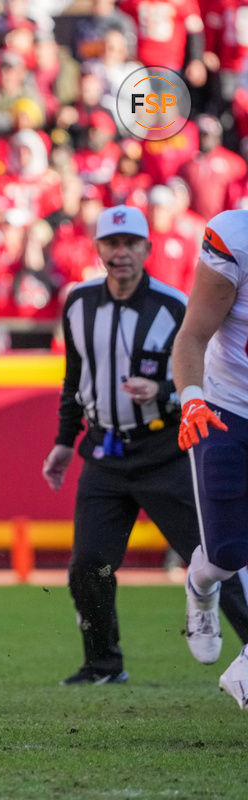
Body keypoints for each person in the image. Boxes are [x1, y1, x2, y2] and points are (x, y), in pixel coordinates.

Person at [41, 205, 248, 686]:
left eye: (130, 243)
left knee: (219, 552)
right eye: (111, 244)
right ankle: (103, 664)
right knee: (88, 564)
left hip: (163, 451)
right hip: (104, 452)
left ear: (147, 249)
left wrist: (164, 393)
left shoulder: (175, 303)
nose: (121, 253)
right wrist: (63, 442)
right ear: (97, 250)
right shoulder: (78, 303)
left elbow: (197, 360)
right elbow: (74, 379)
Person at [172, 208, 248, 709]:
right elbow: (193, 334)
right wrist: (192, 399)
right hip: (228, 406)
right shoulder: (236, 237)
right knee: (227, 552)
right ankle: (199, 585)